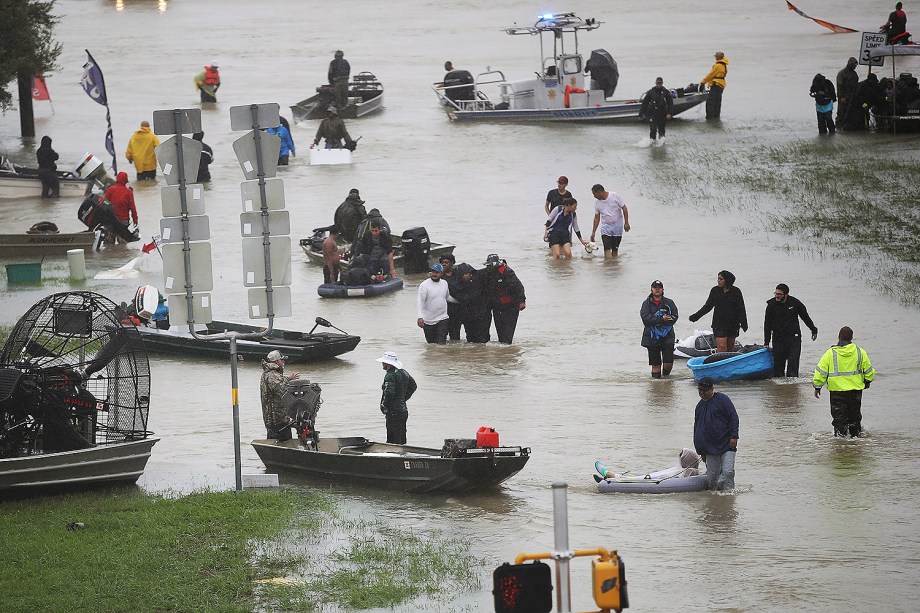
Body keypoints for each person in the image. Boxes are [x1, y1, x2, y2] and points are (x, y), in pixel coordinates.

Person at [813, 326, 876, 437]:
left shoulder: (830, 353)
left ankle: (840, 443)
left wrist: (817, 386)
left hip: (837, 392)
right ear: (852, 338)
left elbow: (821, 371)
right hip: (855, 391)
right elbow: (868, 370)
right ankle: (855, 440)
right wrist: (867, 381)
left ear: (839, 337)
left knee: (839, 419)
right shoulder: (860, 352)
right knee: (855, 418)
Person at [693, 377, 739, 491]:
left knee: (728, 472)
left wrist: (734, 436)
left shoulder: (723, 400)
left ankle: (729, 495)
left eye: (705, 391)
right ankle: (715, 500)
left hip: (727, 444)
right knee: (712, 478)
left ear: (712, 389)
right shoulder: (699, 407)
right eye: (700, 391)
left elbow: (733, 417)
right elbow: (697, 429)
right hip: (709, 448)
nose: (702, 393)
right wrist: (701, 450)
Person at [763, 283, 818, 378]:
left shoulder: (795, 303)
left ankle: (792, 387)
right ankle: (780, 390)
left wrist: (813, 330)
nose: (776, 296)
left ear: (786, 294)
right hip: (778, 339)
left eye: (779, 294)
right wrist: (766, 342)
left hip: (794, 339)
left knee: (793, 365)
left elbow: (805, 317)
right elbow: (767, 324)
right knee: (778, 370)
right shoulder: (771, 305)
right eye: (775, 293)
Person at [688, 270, 748, 354]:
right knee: (722, 347)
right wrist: (696, 316)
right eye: (718, 279)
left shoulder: (736, 291)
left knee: (730, 348)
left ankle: (728, 366)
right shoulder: (715, 291)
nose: (718, 281)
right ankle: (720, 363)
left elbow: (741, 308)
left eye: (721, 279)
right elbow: (708, 306)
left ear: (727, 280)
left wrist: (744, 323)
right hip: (719, 324)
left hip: (733, 324)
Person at [484, 254, 526, 344]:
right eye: (488, 265)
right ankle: (502, 354)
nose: (489, 267)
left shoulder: (507, 272)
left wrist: (522, 301)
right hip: (497, 307)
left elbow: (519, 287)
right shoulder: (488, 274)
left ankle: (507, 353)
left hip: (511, 307)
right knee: (501, 334)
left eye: (490, 265)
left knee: (507, 335)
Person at [640, 280, 679, 378]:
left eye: (659, 287)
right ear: (651, 289)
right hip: (652, 337)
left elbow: (674, 317)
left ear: (663, 289)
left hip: (668, 336)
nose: (657, 289)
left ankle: (666, 381)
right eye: (655, 287)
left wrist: (666, 320)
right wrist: (662, 318)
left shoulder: (669, 302)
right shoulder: (646, 304)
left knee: (668, 364)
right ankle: (656, 386)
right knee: (656, 364)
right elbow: (646, 320)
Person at [260, 349, 300, 441]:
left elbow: (276, 383)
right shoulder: (273, 376)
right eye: (282, 360)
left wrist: (288, 379)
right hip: (278, 420)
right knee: (284, 447)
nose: (284, 361)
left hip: (271, 420)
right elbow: (285, 392)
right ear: (277, 361)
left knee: (273, 446)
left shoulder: (267, 373)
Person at [377, 351, 416, 445]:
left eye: (383, 362)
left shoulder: (390, 375)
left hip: (393, 413)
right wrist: (403, 398)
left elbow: (389, 393)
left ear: (388, 363)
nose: (382, 364)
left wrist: (384, 406)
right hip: (403, 411)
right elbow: (413, 386)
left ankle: (393, 458)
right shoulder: (404, 372)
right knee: (401, 439)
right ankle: (402, 457)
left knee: (392, 441)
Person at [452, 262, 491, 343]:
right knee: (470, 339)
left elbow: (489, 269)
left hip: (483, 315)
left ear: (471, 273)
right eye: (463, 274)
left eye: (467, 273)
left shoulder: (479, 278)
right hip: (468, 317)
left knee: (483, 339)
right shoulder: (457, 287)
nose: (466, 276)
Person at [590, 184, 630, 258]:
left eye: (594, 194)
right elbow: (596, 218)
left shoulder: (614, 196)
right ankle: (607, 266)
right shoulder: (597, 203)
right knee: (607, 249)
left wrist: (626, 223)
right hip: (606, 227)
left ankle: (613, 267)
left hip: (617, 227)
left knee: (615, 250)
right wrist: (593, 232)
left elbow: (624, 208)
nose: (594, 196)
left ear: (599, 192)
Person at [417, 263, 450, 344]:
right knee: (432, 346)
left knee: (441, 344)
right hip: (428, 320)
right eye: (433, 272)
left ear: (441, 273)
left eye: (437, 272)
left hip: (443, 318)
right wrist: (420, 317)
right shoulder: (424, 285)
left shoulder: (444, 283)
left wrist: (460, 301)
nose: (434, 274)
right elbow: (420, 302)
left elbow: (448, 297)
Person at [639, 77, 672, 145]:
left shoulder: (666, 92)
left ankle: (661, 144)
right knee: (653, 129)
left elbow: (670, 103)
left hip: (662, 113)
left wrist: (669, 113)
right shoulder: (651, 92)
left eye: (660, 83)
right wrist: (641, 113)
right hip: (652, 113)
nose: (659, 84)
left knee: (661, 131)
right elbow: (645, 103)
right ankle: (652, 143)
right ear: (655, 83)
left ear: (662, 83)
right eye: (658, 83)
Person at [439, 253, 463, 341]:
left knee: (455, 334)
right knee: (442, 334)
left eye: (446, 262)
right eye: (442, 262)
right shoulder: (439, 276)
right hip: (443, 309)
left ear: (452, 263)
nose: (444, 264)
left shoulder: (458, 275)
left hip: (456, 309)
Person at [701, 51, 729, 120]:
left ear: (719, 57)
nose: (715, 57)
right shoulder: (724, 65)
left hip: (716, 85)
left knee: (710, 102)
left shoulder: (718, 66)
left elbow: (710, 75)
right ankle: (716, 117)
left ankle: (709, 118)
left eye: (716, 56)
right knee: (717, 101)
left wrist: (703, 82)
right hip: (721, 85)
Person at [836, 57, 859, 127]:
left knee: (851, 113)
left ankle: (848, 127)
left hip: (852, 96)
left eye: (856, 65)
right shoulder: (842, 73)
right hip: (844, 96)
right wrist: (842, 97)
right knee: (841, 113)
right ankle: (839, 127)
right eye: (854, 65)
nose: (855, 66)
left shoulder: (854, 74)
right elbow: (839, 86)